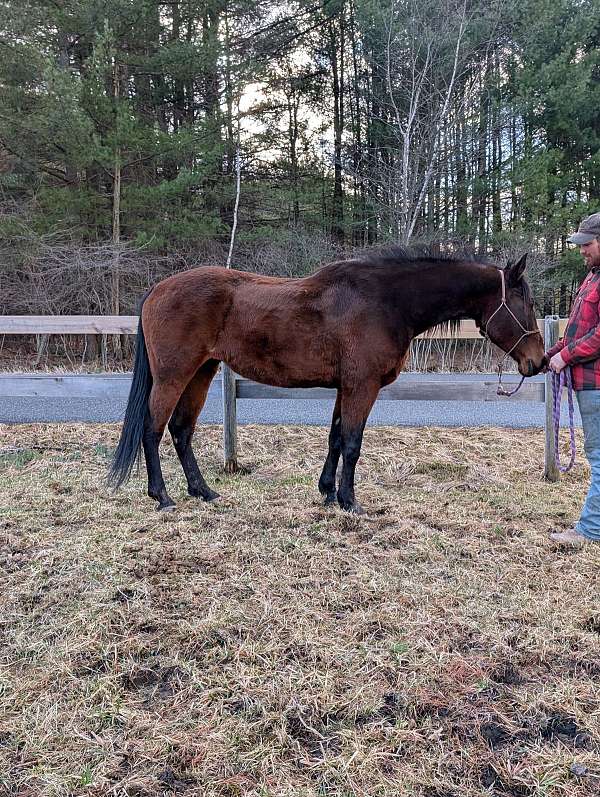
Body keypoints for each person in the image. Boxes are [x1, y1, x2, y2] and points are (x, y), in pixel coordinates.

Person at [547, 212, 600, 544]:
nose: (582, 250)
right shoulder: (592, 277)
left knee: (599, 458)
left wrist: (565, 356)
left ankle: (591, 531)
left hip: (597, 384)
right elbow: (577, 330)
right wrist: (549, 354)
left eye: (588, 244)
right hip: (588, 385)